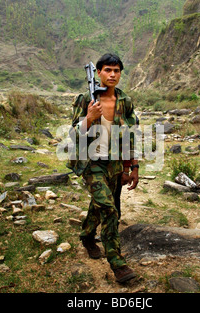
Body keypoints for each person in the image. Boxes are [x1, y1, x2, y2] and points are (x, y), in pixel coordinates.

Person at [66, 53, 139, 283]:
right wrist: (88, 117)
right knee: (109, 210)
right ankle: (118, 264)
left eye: (116, 71)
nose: (112, 74)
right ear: (99, 73)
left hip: (115, 165)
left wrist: (132, 167)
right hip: (92, 163)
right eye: (107, 70)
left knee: (101, 204)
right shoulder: (84, 99)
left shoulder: (125, 101)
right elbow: (73, 135)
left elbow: (129, 137)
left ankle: (87, 236)